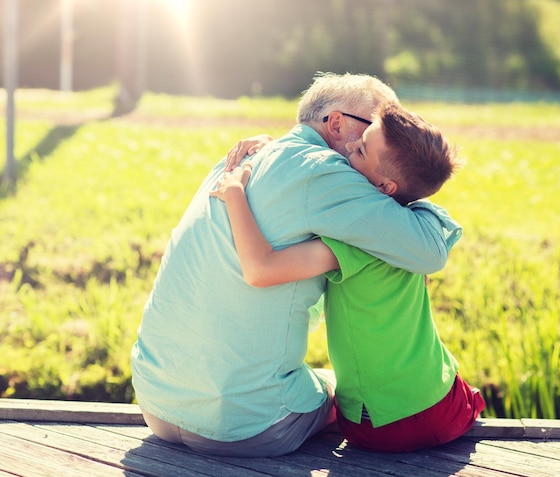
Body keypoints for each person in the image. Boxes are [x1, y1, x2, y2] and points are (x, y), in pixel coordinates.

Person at [131, 72, 458, 457]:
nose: (387, 137)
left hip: (155, 402)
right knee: (346, 393)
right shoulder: (325, 171)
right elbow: (428, 251)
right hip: (245, 425)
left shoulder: (242, 158)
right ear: (336, 123)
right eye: (377, 125)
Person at [211, 101, 485, 453]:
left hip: (377, 426)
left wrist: (235, 193)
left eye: (361, 150)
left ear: (386, 186)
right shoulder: (415, 231)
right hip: (443, 407)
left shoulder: (352, 241)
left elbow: (261, 268)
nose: (348, 148)